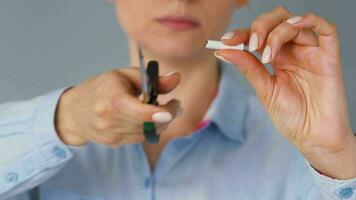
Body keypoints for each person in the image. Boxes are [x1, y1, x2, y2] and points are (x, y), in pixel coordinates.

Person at [0, 0, 355, 199]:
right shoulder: (48, 145)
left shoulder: (303, 163)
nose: (180, 0)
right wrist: (62, 121)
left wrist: (337, 155)